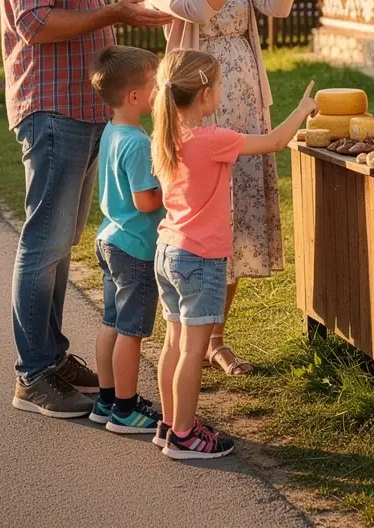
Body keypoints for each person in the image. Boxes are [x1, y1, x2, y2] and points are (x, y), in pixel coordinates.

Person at [0, 0, 172, 419]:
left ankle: (49, 354)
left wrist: (125, 16)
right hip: (51, 111)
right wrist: (114, 10)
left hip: (80, 109)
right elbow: (37, 24)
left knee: (59, 243)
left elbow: (85, 16)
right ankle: (33, 374)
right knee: (43, 241)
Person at [143, 0, 306, 377]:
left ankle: (216, 338)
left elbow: (276, 6)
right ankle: (189, 332)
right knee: (207, 217)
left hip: (243, 96)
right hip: (198, 106)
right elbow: (198, 8)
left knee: (238, 219)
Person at [150, 49, 317, 458]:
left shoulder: (166, 136)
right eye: (220, 85)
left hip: (168, 252)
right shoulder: (211, 140)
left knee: (173, 344)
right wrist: (303, 108)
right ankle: (186, 436)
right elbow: (276, 141)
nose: (222, 91)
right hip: (200, 260)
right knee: (192, 350)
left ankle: (171, 424)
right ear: (205, 94)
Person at [87, 45, 164, 435]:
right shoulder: (136, 143)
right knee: (132, 331)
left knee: (112, 322)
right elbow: (145, 200)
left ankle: (106, 399)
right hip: (134, 248)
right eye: (155, 84)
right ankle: (125, 410)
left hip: (110, 238)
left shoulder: (114, 131)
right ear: (135, 96)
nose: (159, 90)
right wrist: (172, 185)